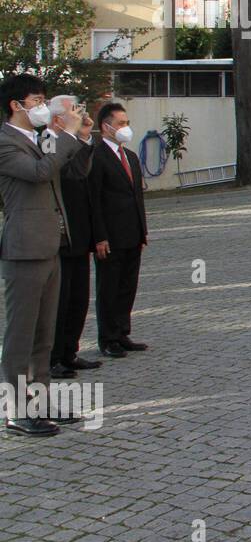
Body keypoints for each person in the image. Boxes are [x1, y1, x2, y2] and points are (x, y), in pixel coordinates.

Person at [0, 75, 94, 435]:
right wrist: (65, 136)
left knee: (44, 335)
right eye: (37, 100)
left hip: (51, 244)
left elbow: (75, 173)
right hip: (23, 248)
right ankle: (17, 411)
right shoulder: (7, 142)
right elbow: (40, 173)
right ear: (16, 105)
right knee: (21, 335)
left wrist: (82, 137)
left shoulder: (42, 139)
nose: (43, 106)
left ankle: (38, 403)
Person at [88, 102, 149, 358]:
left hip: (132, 233)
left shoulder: (131, 157)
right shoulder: (96, 155)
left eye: (127, 123)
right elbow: (93, 200)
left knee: (127, 285)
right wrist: (99, 236)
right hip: (110, 236)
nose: (126, 128)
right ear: (106, 126)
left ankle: (123, 332)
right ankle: (108, 338)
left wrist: (142, 230)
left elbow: (137, 197)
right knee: (109, 287)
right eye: (121, 123)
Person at [49, 96, 102, 379]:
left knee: (78, 299)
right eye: (74, 110)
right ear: (58, 118)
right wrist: (72, 136)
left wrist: (83, 136)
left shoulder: (69, 140)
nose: (79, 113)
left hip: (78, 235)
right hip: (56, 236)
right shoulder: (47, 142)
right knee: (59, 301)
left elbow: (79, 172)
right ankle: (52, 356)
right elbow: (58, 172)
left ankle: (69, 351)